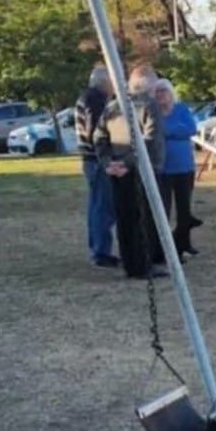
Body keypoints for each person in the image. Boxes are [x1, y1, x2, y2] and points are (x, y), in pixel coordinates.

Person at [95, 65, 167, 279]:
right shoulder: (148, 105)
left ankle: (130, 263)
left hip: (117, 171)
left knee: (125, 218)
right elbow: (149, 140)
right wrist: (126, 163)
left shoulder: (113, 106)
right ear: (149, 85)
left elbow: (99, 137)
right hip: (140, 169)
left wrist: (109, 162)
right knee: (142, 218)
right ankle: (142, 265)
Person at [154, 79, 201, 259]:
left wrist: (168, 131)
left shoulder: (181, 109)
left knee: (184, 209)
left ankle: (184, 243)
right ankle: (164, 246)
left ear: (171, 92)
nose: (160, 95)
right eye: (157, 91)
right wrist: (175, 130)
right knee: (164, 209)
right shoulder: (153, 113)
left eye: (164, 91)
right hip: (163, 169)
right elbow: (155, 131)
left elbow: (190, 128)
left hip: (184, 167)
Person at [76, 66, 118, 268]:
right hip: (97, 160)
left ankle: (98, 249)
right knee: (103, 207)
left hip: (89, 159)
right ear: (106, 83)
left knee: (97, 206)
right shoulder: (96, 99)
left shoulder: (86, 97)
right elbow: (96, 130)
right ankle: (101, 251)